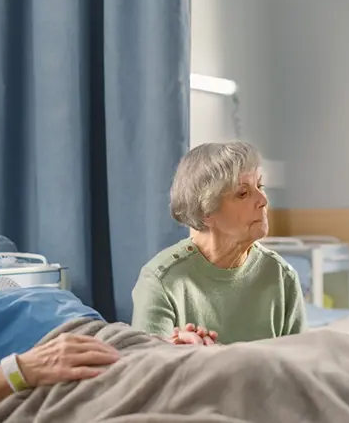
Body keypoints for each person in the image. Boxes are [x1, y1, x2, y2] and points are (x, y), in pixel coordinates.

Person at [0, 173, 216, 423]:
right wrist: (18, 372)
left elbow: (89, 337)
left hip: (111, 347)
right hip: (63, 384)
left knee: (224, 370)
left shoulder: (1, 286)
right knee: (241, 377)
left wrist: (158, 342)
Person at [131, 141, 307, 344]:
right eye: (243, 193)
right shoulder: (161, 280)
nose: (263, 200)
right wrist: (178, 352)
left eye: (259, 186)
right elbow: (147, 366)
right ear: (206, 210)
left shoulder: (281, 276)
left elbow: (300, 365)